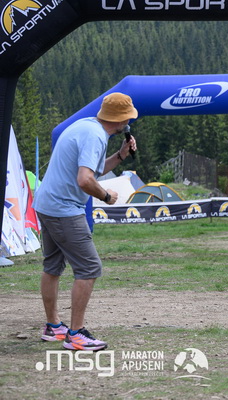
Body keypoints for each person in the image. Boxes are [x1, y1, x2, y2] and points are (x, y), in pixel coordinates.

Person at [33, 92, 138, 350]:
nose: (130, 122)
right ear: (122, 119)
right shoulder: (95, 136)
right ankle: (76, 334)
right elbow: (85, 180)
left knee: (53, 266)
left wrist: (121, 155)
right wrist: (106, 196)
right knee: (89, 268)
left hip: (47, 204)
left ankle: (53, 326)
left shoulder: (86, 126)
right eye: (129, 117)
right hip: (64, 209)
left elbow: (92, 171)